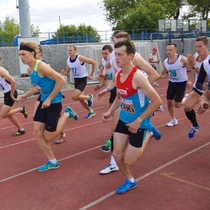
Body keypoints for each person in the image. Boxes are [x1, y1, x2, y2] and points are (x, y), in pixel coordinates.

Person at [102, 40, 162, 194]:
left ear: (130, 56)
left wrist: (140, 120)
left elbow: (156, 101)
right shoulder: (118, 75)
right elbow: (120, 97)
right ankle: (130, 180)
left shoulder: (138, 76)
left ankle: (148, 132)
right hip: (124, 119)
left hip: (139, 122)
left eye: (120, 55)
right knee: (116, 154)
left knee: (129, 161)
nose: (116, 58)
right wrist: (110, 111)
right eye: (115, 54)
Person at [18, 41, 78, 172]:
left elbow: (61, 80)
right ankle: (52, 161)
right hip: (43, 102)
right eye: (20, 55)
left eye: (23, 54)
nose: (21, 57)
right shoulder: (30, 69)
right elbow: (36, 87)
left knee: (50, 137)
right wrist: (26, 95)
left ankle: (67, 113)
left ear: (32, 54)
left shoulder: (41, 66)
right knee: (37, 132)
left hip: (53, 103)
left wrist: (50, 99)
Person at [34, 45, 66, 144]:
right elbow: (36, 85)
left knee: (50, 126)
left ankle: (65, 118)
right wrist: (26, 95)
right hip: (42, 95)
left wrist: (51, 97)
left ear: (40, 53)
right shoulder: (33, 67)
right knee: (38, 118)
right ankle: (61, 134)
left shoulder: (44, 66)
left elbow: (58, 80)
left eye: (35, 52)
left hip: (50, 96)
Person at [159, 43, 192, 127]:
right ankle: (173, 119)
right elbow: (162, 74)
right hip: (171, 83)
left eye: (170, 50)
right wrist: (153, 78)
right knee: (169, 102)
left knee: (177, 105)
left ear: (175, 50)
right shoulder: (165, 62)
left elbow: (192, 68)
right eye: (167, 50)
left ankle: (186, 98)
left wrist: (189, 80)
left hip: (181, 83)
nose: (168, 52)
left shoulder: (182, 59)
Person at [184, 36, 210, 138]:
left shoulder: (208, 61)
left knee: (204, 105)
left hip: (208, 89)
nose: (198, 49)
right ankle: (195, 125)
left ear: (206, 46)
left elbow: (207, 79)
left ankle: (205, 103)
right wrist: (190, 79)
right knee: (187, 107)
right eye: (196, 47)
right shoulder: (196, 56)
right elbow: (195, 72)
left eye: (200, 46)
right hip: (199, 87)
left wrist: (194, 66)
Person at [60, 45, 96, 119]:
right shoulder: (68, 61)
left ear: (75, 51)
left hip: (82, 79)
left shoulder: (80, 58)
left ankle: (89, 97)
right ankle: (91, 111)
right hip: (76, 80)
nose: (69, 52)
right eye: (68, 50)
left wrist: (91, 74)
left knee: (74, 96)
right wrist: (64, 73)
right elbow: (68, 72)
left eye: (71, 50)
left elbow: (93, 62)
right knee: (80, 99)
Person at [0, 56, 28, 136]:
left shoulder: (1, 70)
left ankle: (21, 109)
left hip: (10, 93)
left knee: (3, 115)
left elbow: (13, 82)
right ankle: (21, 129)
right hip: (6, 93)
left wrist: (11, 94)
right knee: (9, 114)